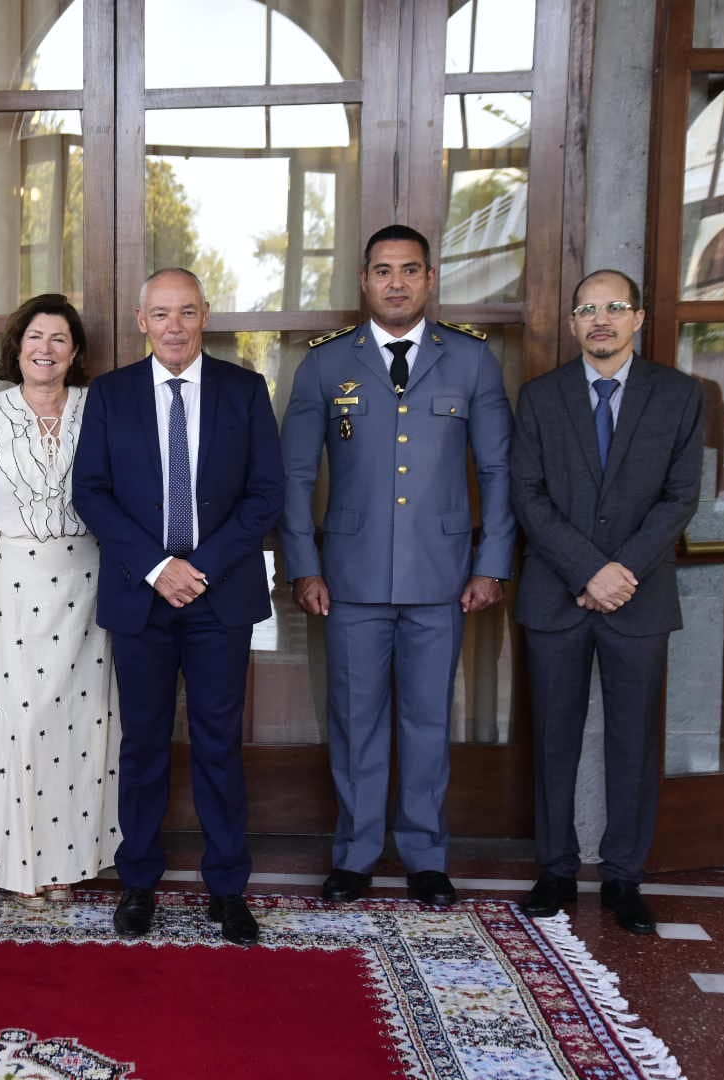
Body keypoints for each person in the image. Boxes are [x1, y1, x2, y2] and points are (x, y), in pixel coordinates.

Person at [280, 224, 514, 907]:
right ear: (364, 280)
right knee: (356, 719)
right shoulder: (326, 366)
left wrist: (491, 562)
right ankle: (355, 855)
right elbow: (296, 476)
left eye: (410, 270)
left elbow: (498, 470)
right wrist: (304, 566)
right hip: (349, 578)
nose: (396, 282)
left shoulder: (471, 362)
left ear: (430, 278)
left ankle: (425, 857)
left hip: (443, 574)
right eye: (383, 270)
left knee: (428, 722)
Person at [72, 268, 283, 945]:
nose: (173, 326)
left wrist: (201, 568)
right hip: (143, 597)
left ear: (205, 317)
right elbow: (92, 493)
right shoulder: (110, 396)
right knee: (143, 743)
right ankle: (139, 882)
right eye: (161, 313)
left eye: (186, 313)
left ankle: (228, 889)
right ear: (141, 319)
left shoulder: (246, 392)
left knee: (220, 744)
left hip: (222, 597)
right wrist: (161, 568)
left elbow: (266, 494)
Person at [511, 270, 704, 934]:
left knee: (633, 740)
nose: (601, 319)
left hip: (640, 598)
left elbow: (680, 498)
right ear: (571, 324)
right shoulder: (539, 398)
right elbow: (528, 495)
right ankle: (555, 869)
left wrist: (621, 571)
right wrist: (589, 571)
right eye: (588, 309)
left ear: (638, 318)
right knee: (554, 737)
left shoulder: (679, 397)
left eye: (614, 308)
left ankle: (624, 876)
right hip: (558, 596)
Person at [0, 293, 120, 908]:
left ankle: (72, 860)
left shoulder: (96, 407)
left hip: (90, 579)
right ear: (17, 347)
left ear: (75, 351)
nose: (45, 349)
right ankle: (22, 860)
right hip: (15, 583)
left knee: (83, 726)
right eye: (35, 336)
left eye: (59, 338)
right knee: (23, 724)